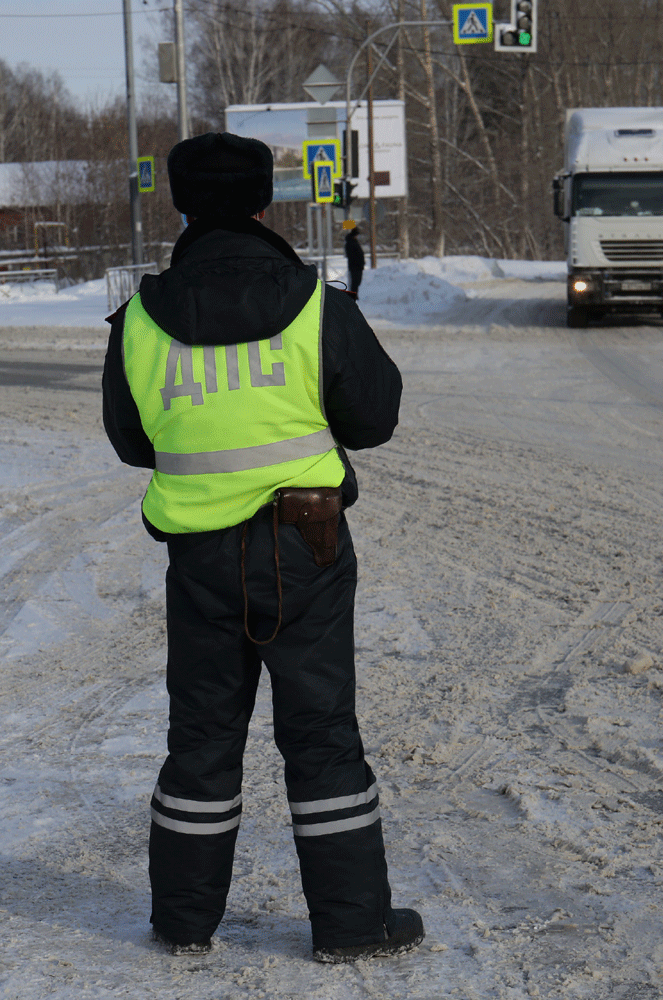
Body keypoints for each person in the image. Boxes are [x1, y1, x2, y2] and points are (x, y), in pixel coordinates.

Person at [101, 131, 422, 964]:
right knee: (321, 734)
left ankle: (183, 923)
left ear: (177, 204)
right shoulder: (317, 306)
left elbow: (133, 441)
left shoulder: (139, 319)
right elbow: (376, 418)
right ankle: (352, 927)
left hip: (201, 560)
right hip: (305, 549)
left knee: (202, 735)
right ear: (262, 202)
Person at [342, 219, 365, 296]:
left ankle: (354, 294)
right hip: (355, 266)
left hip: (357, 266)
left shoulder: (353, 242)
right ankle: (353, 295)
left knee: (357, 282)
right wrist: (358, 262)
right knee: (355, 282)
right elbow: (353, 255)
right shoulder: (351, 243)